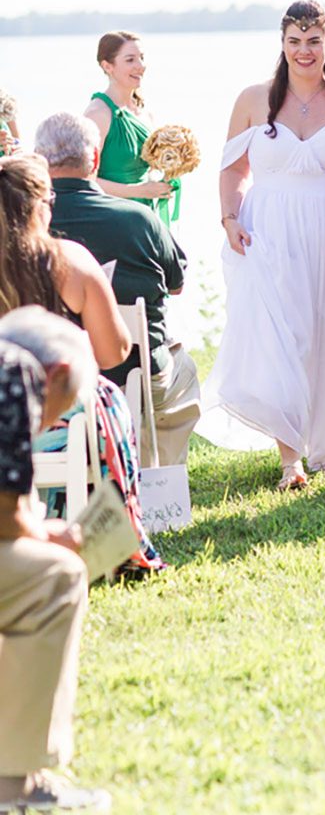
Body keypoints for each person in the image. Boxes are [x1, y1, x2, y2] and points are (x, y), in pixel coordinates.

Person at [197, 0, 325, 490]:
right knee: (284, 340)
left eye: (313, 41)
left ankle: (321, 440)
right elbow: (232, 169)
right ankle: (291, 459)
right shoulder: (253, 99)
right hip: (269, 234)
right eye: (294, 41)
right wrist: (228, 218)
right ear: (282, 44)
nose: (303, 51)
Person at [0, 153, 164, 572]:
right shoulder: (69, 260)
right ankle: (119, 543)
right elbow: (113, 354)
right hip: (64, 419)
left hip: (6, 419)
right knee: (106, 397)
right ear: (41, 207)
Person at [36, 111, 200, 467]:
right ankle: (155, 479)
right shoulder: (139, 219)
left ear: (40, 160)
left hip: (44, 383)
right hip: (132, 377)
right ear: (95, 159)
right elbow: (177, 285)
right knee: (183, 372)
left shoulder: (22, 227)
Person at [0, 305, 111, 813]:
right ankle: (16, 782)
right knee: (56, 576)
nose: (46, 428)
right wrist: (48, 535)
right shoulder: (15, 371)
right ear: (58, 374)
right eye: (58, 412)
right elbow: (5, 511)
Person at [83, 31, 173, 207]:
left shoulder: (145, 112)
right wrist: (139, 191)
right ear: (108, 66)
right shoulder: (98, 113)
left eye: (142, 58)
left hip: (146, 213)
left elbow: (150, 167)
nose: (140, 66)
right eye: (130, 60)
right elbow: (85, 179)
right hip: (112, 214)